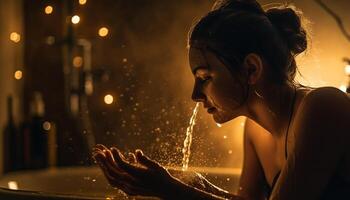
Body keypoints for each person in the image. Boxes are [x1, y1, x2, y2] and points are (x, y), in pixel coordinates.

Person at [92, 0, 350, 199]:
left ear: (251, 69)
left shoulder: (323, 107)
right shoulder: (255, 130)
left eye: (204, 77)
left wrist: (171, 191)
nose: (195, 95)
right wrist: (195, 186)